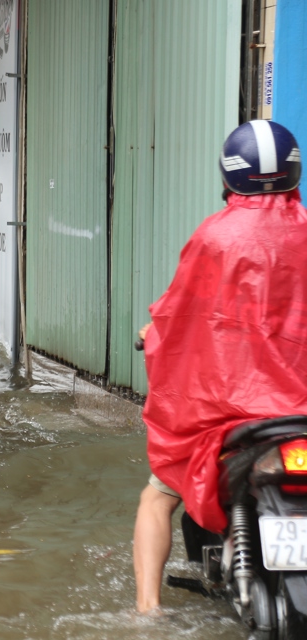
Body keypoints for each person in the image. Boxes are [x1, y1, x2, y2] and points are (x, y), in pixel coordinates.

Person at [132, 120, 307, 613]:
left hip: (232, 413)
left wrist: (156, 333)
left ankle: (146, 612)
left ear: (229, 177)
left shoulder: (215, 237)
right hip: (300, 413)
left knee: (158, 496)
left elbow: (181, 314)